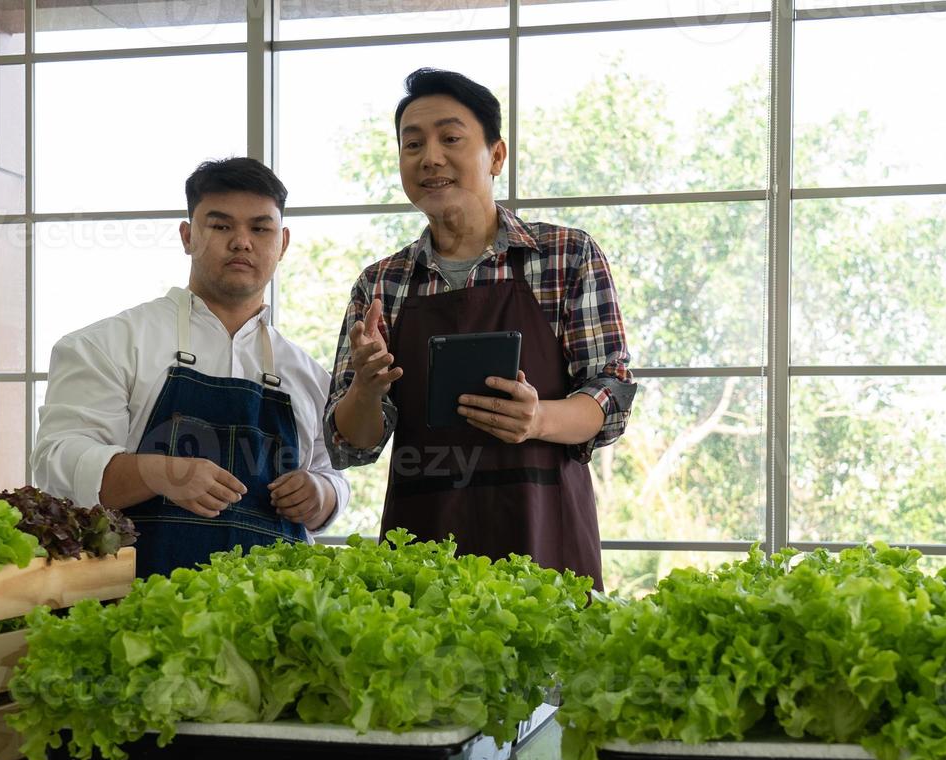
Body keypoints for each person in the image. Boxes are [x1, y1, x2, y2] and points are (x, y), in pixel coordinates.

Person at [324, 69, 636, 590]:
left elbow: (611, 394)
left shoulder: (566, 256)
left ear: (495, 155)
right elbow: (350, 445)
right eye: (413, 144)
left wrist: (537, 420)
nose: (430, 158)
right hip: (423, 547)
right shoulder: (381, 284)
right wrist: (365, 387)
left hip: (546, 536)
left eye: (451, 139)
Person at [33, 157, 347, 579]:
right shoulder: (106, 345)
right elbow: (58, 463)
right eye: (220, 226)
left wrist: (322, 493)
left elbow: (332, 472)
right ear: (187, 236)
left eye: (260, 228)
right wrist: (159, 471)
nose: (241, 242)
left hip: (275, 618)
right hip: (133, 611)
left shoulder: (308, 374)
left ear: (283, 242)